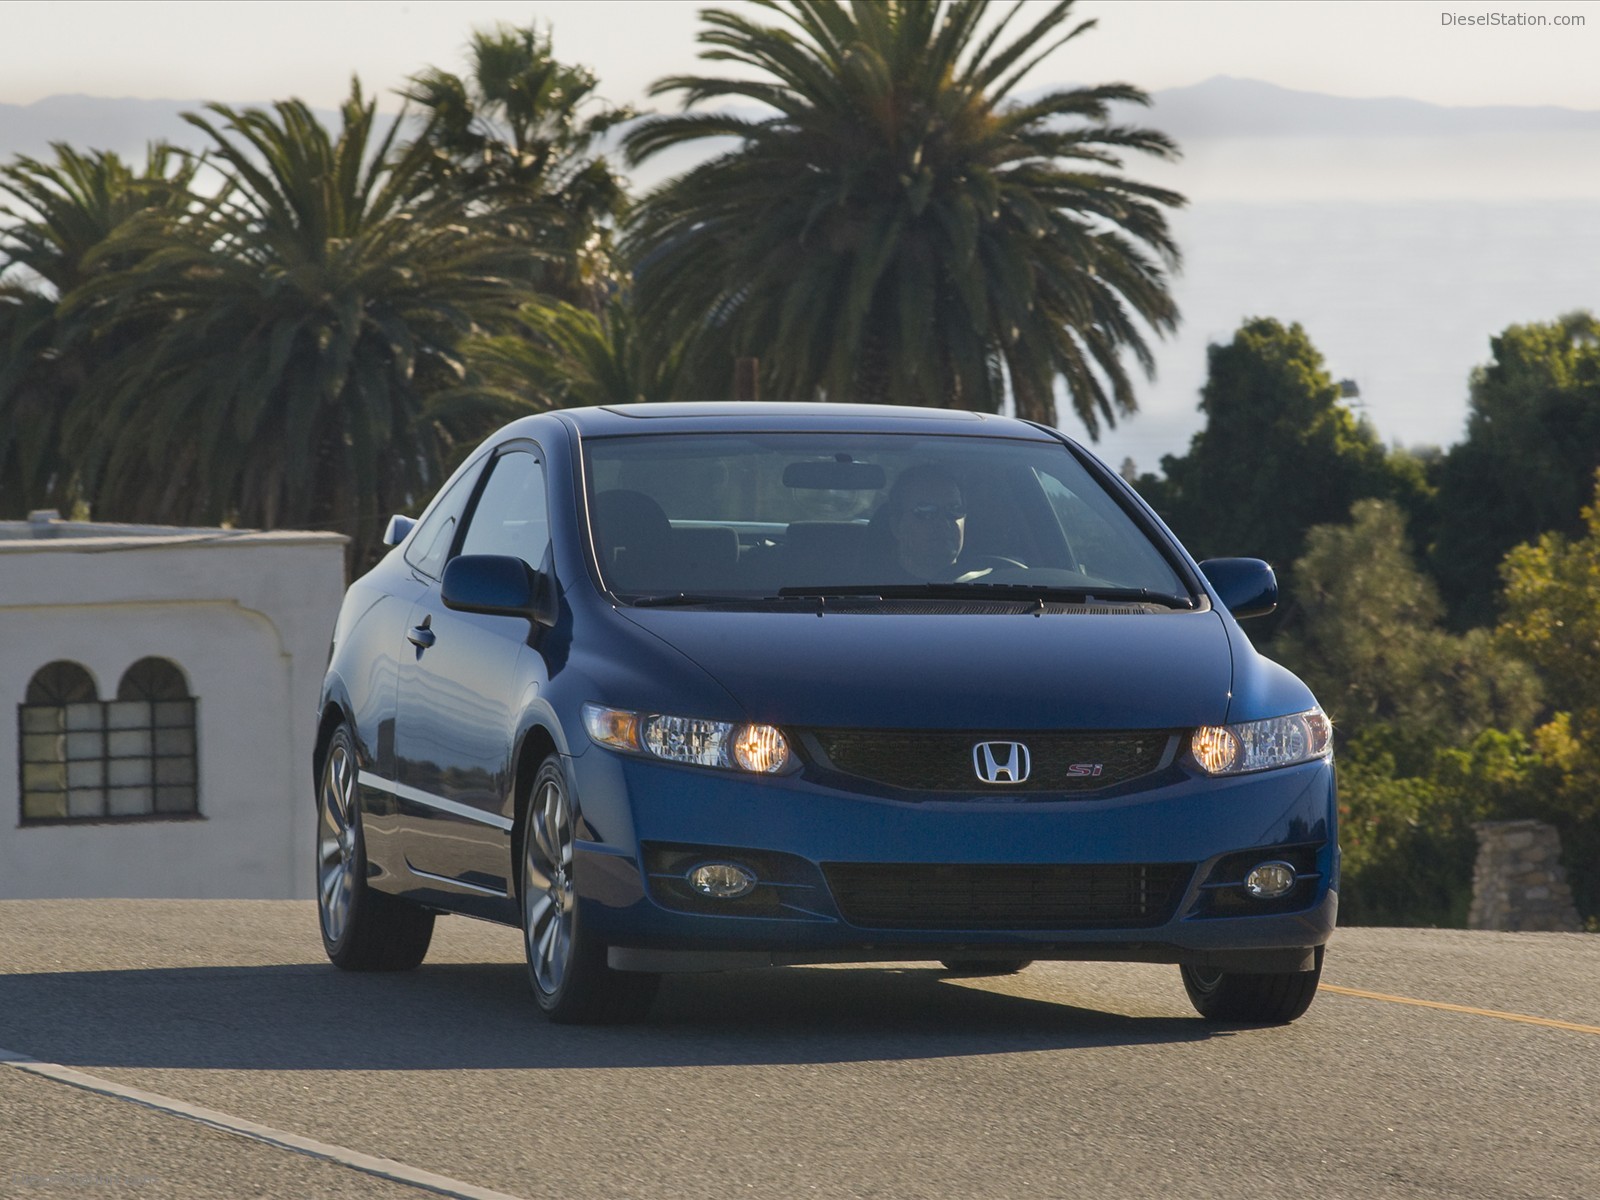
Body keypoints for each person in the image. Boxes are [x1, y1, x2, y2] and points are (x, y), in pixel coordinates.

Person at [881, 464, 980, 583]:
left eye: (954, 509)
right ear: (896, 527)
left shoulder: (989, 588)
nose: (944, 523)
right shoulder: (873, 587)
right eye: (926, 511)